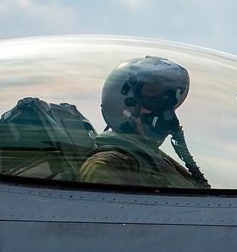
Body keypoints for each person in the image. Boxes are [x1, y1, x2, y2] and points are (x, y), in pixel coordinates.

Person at [79, 55, 209, 188]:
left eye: (168, 103)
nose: (166, 113)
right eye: (155, 101)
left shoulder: (156, 161)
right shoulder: (107, 165)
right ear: (124, 110)